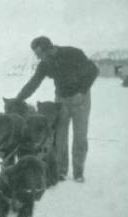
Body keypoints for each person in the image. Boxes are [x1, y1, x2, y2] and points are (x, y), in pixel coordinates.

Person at [15, 36, 99, 183]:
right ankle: (61, 170)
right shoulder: (45, 64)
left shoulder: (73, 53)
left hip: (81, 99)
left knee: (80, 136)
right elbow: (34, 82)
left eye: (39, 53)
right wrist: (18, 99)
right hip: (61, 101)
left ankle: (78, 171)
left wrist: (82, 91)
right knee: (59, 137)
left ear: (48, 48)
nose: (37, 57)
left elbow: (93, 70)